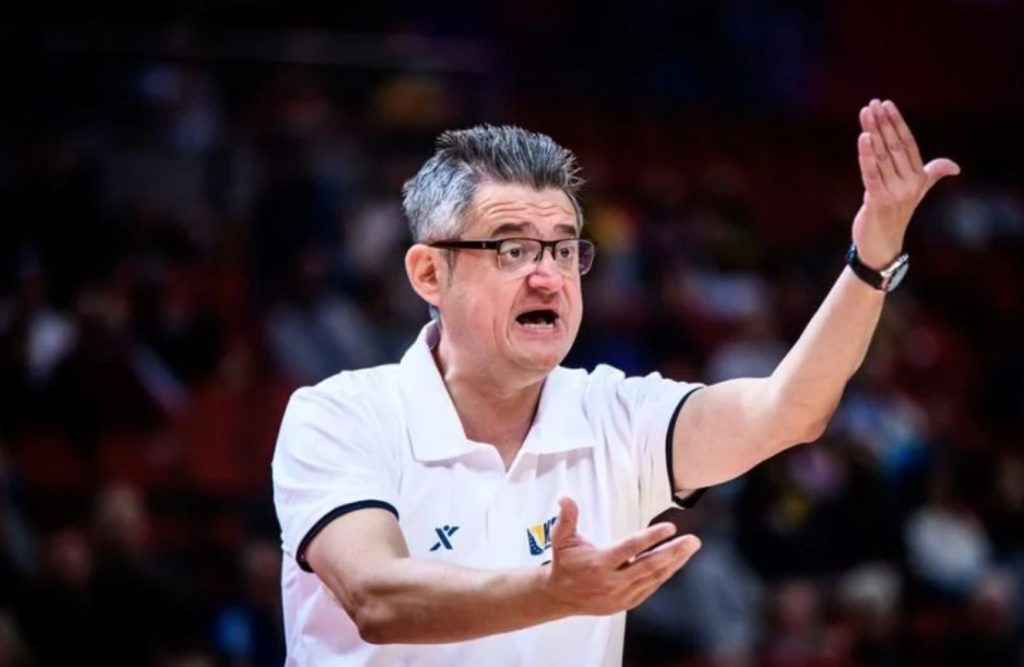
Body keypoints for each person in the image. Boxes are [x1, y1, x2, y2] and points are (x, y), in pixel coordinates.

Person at [271, 99, 959, 666]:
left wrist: (872, 259)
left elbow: (788, 411)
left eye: (564, 248)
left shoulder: (615, 414)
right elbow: (376, 596)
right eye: (513, 248)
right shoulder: (340, 415)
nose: (549, 276)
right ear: (429, 273)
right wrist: (553, 593)